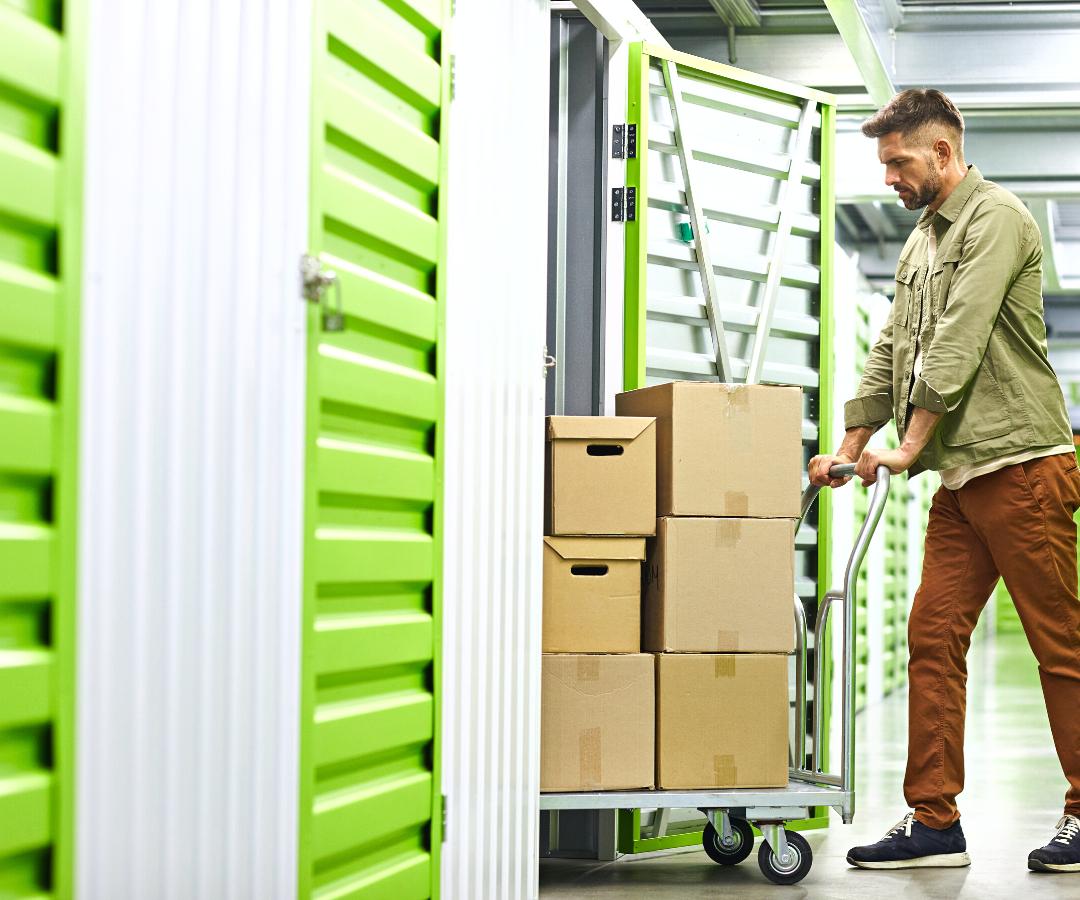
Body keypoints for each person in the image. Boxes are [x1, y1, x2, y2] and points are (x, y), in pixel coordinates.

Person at [809, 89, 1080, 874]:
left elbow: (957, 341)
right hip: (962, 484)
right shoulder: (920, 242)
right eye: (885, 163)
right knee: (931, 637)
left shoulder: (996, 218)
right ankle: (934, 821)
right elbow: (893, 347)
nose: (889, 176)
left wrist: (907, 446)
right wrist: (851, 444)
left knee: (1059, 644)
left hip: (1024, 468)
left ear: (943, 153)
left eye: (898, 161)